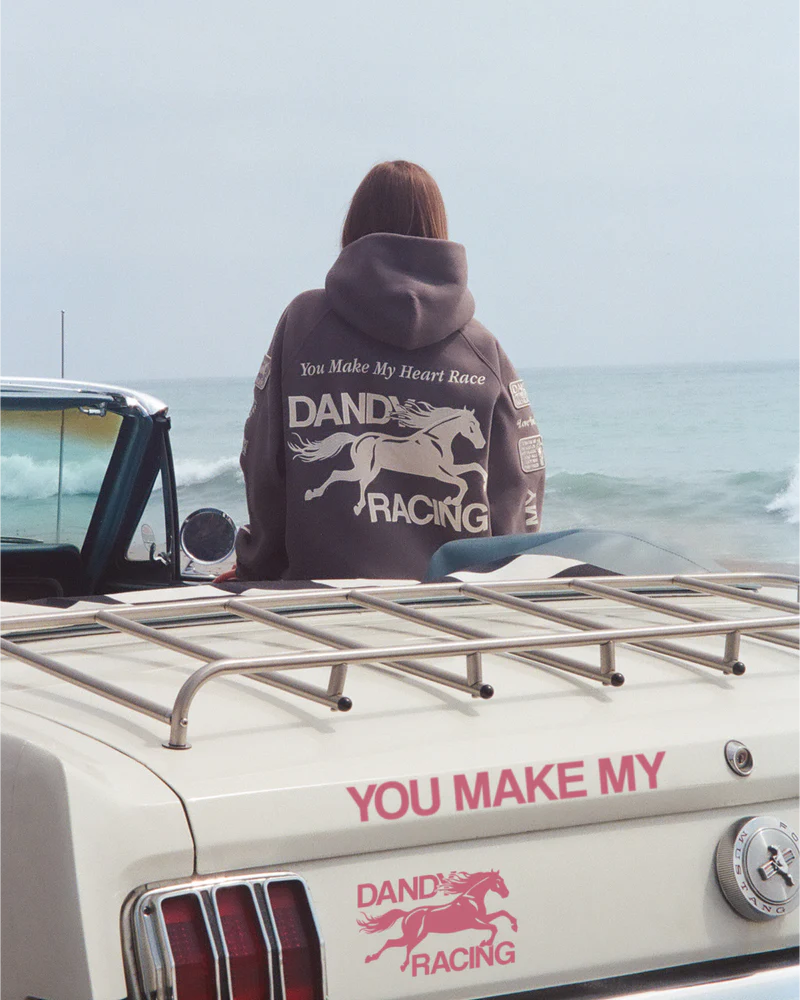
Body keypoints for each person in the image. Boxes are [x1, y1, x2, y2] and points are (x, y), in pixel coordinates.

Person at [235, 160, 544, 581]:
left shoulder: (304, 324)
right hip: (451, 608)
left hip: (319, 603)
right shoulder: (483, 350)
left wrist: (257, 563)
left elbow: (263, 462)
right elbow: (520, 484)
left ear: (354, 227)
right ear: (438, 230)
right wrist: (502, 581)